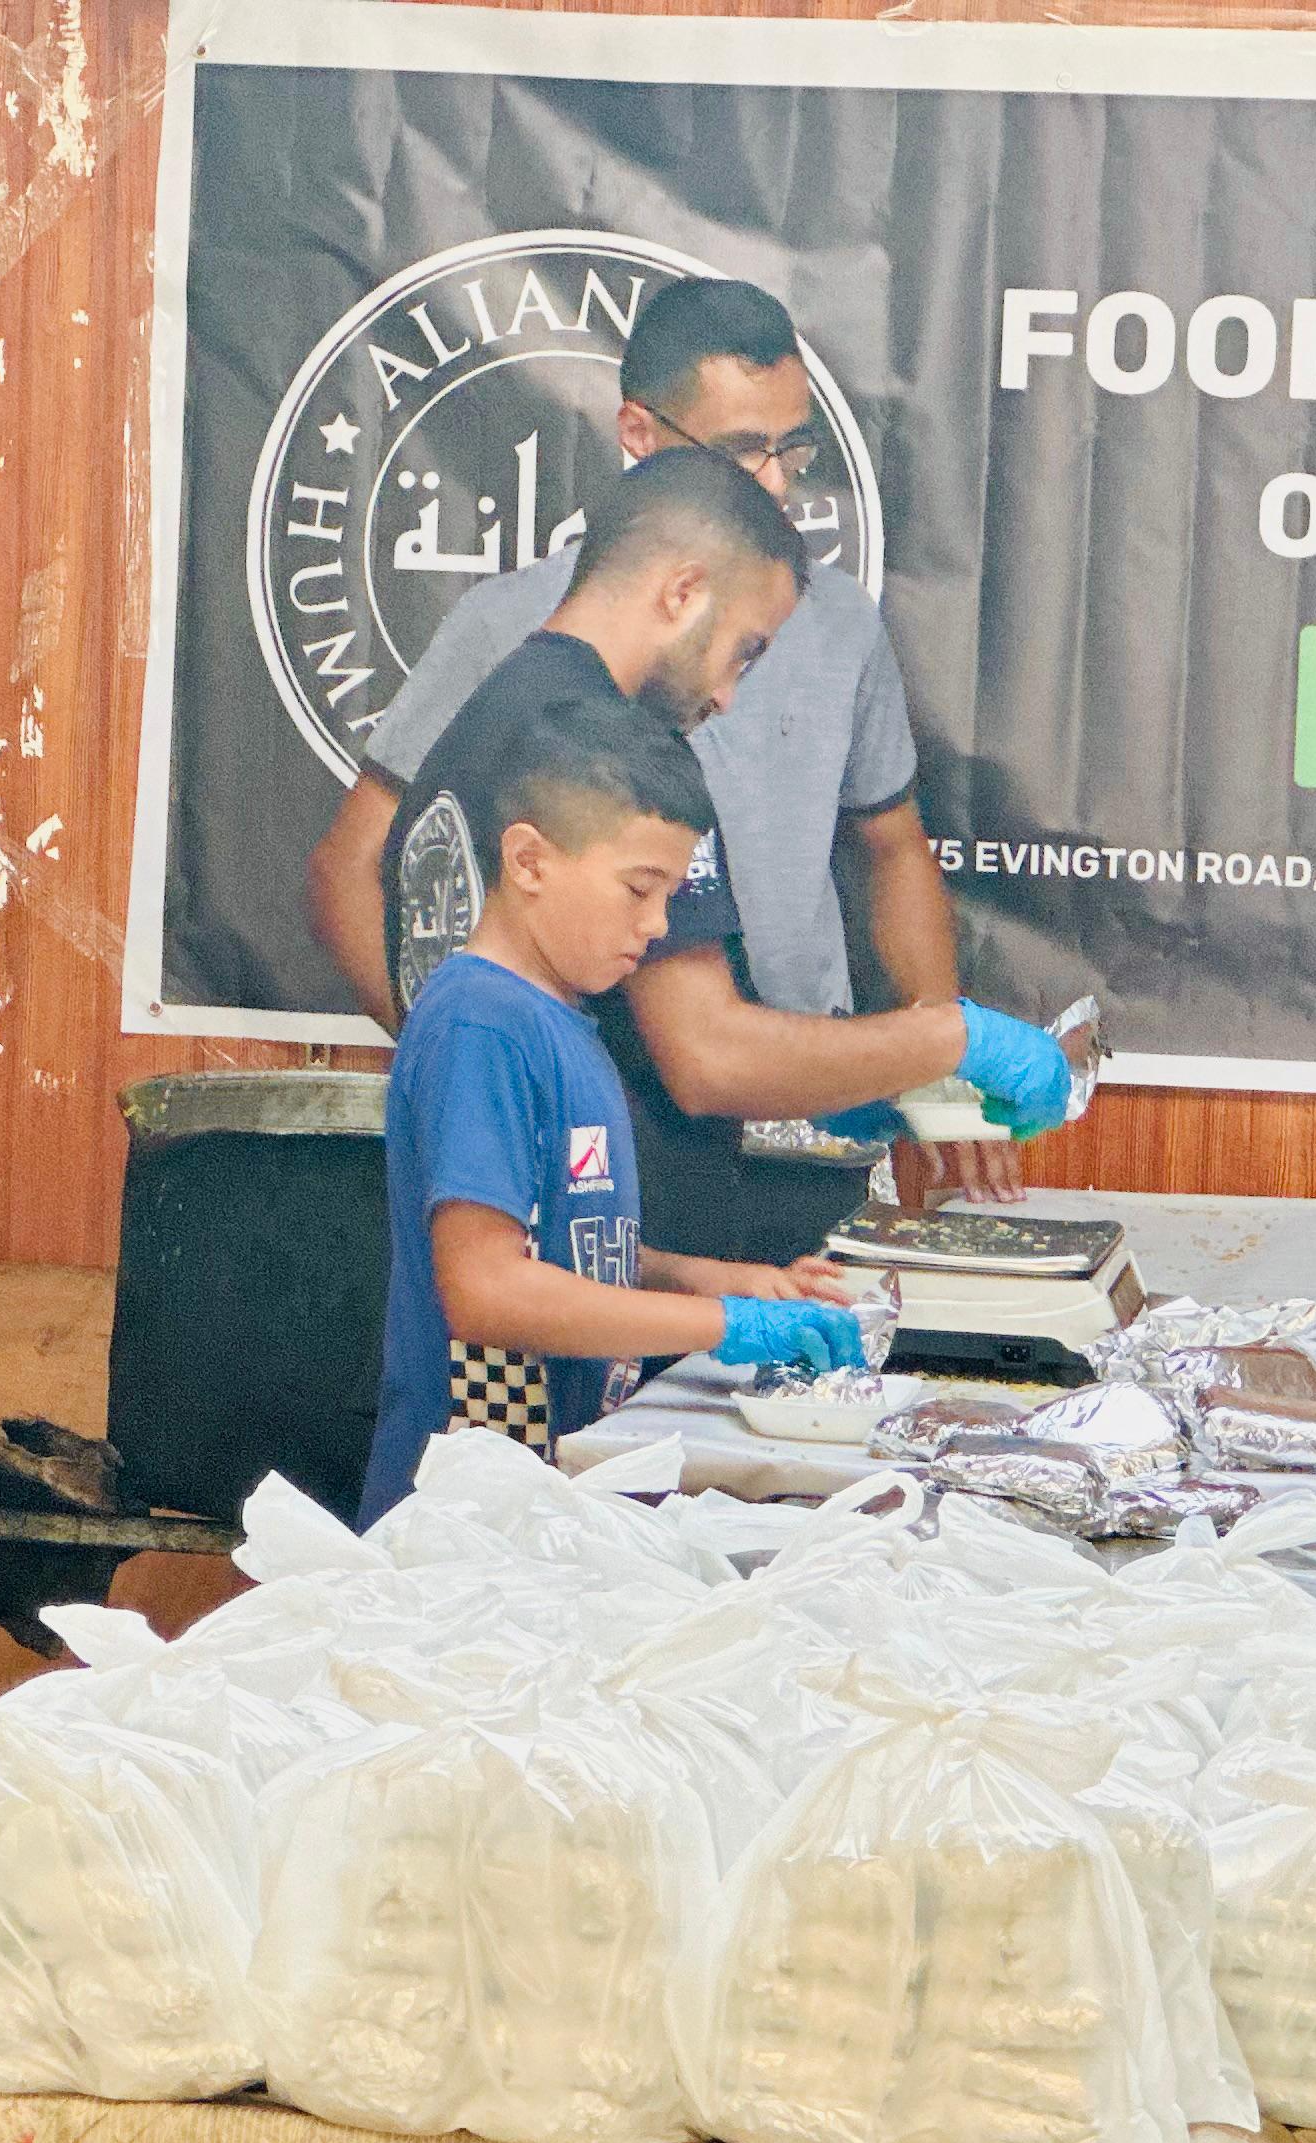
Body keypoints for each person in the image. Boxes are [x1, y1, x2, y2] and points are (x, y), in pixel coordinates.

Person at [311, 278, 1051, 1243]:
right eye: (744, 450)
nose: (778, 481)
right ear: (639, 433)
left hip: (743, 1159)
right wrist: (950, 1041)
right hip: (629, 1146)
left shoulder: (810, 630)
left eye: (795, 448)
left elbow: (892, 849)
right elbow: (702, 1054)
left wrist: (902, 1069)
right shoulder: (605, 728)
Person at [360, 686, 873, 1521]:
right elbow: (487, 1288)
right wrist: (716, 1324)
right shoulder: (482, 1023)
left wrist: (743, 1287)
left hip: (553, 1495)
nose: (660, 923)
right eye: (639, 889)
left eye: (671, 893)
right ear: (528, 861)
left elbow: (572, 1254)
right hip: (467, 1515)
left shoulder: (567, 1021)